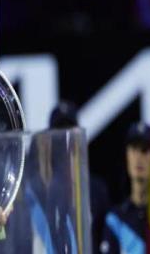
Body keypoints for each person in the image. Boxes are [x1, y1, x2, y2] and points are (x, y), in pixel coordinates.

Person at [48, 101, 111, 254]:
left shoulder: (96, 190)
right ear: (49, 139)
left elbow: (105, 240)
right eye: (59, 131)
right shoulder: (42, 192)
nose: (65, 137)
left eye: (70, 130)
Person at [100, 122, 150, 254]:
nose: (138, 158)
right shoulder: (115, 219)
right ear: (127, 155)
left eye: (145, 150)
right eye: (133, 149)